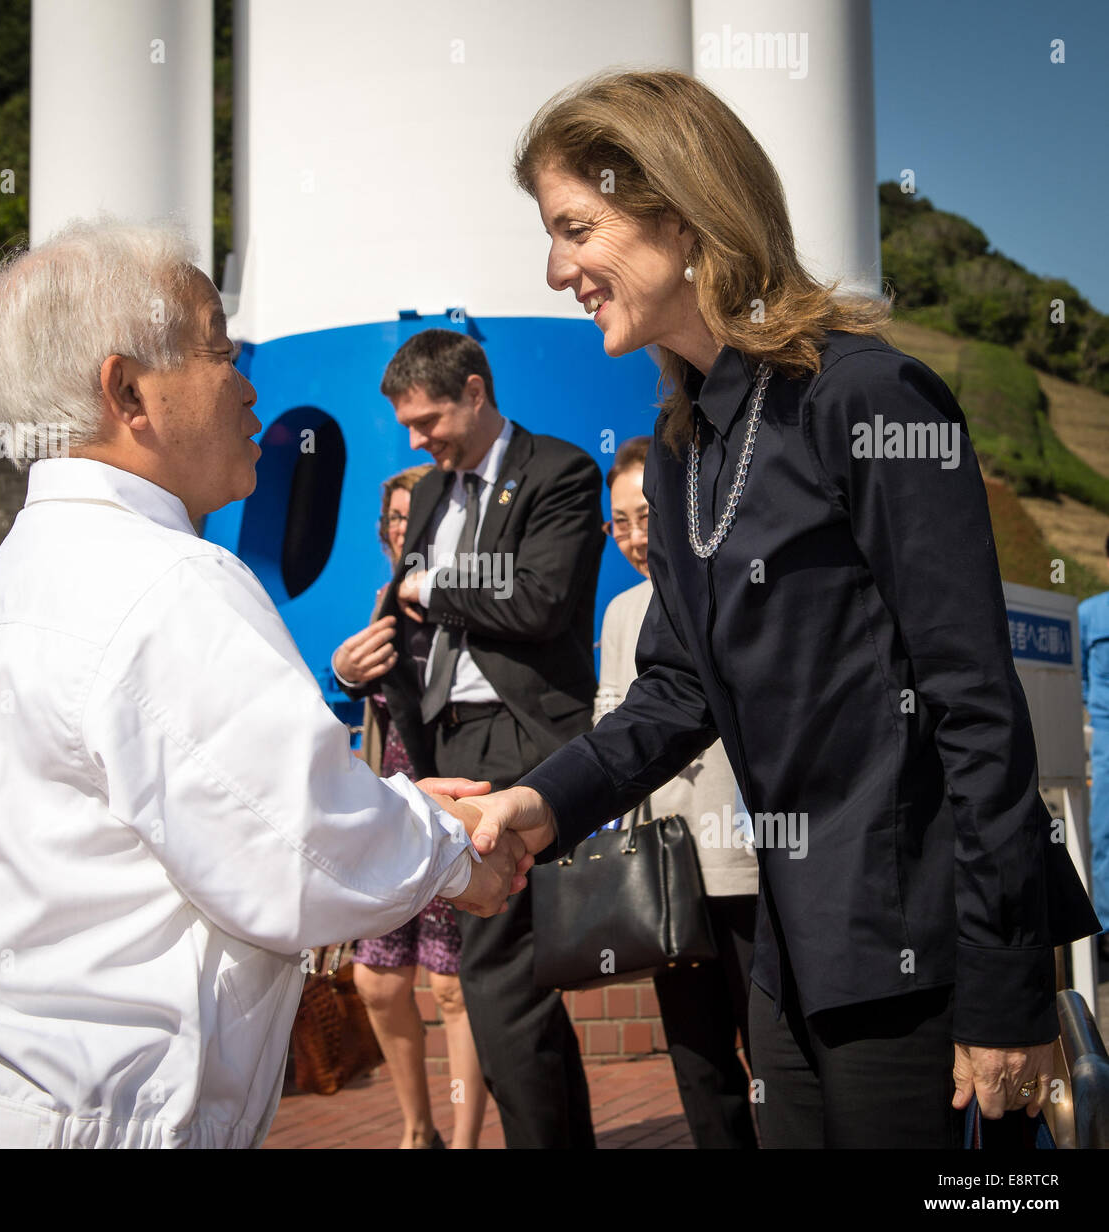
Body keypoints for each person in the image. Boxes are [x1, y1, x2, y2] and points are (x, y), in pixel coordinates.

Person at [463, 69, 1101, 1149]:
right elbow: (674, 687)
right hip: (791, 943)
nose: (556, 267)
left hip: (919, 943)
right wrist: (537, 805)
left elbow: (975, 707)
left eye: (577, 227)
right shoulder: (681, 448)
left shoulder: (867, 398)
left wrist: (1004, 986)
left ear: (680, 208)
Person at [0, 219, 529, 1150]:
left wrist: (392, 813)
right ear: (128, 390)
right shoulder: (164, 581)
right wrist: (454, 847)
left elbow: (232, 813)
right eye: (220, 347)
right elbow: (300, 851)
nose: (249, 382)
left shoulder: (9, 582)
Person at [340, 327, 603, 1148]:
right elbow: (405, 615)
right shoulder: (427, 494)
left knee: (492, 975)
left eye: (428, 422)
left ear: (477, 392)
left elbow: (540, 601)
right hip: (440, 746)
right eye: (408, 428)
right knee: (517, 978)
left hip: (521, 741)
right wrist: (354, 667)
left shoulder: (561, 472)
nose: (417, 443)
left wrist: (430, 584)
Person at [598, 435, 758, 1149]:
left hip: (747, 864)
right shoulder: (621, 613)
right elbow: (610, 726)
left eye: (645, 514)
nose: (634, 537)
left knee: (773, 1053)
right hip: (666, 877)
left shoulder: (733, 583)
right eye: (619, 523)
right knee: (697, 1059)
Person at [332, 464, 490, 1149]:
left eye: (413, 517)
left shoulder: (471, 601)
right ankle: (415, 1128)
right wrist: (341, 674)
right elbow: (340, 712)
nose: (403, 530)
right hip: (389, 811)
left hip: (452, 809)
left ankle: (463, 1141)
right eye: (393, 520)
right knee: (377, 980)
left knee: (453, 989)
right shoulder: (381, 604)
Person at [1079, 536, 1109, 959]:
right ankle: (1106, 928)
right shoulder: (1088, 614)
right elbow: (1079, 677)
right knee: (1104, 834)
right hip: (1107, 736)